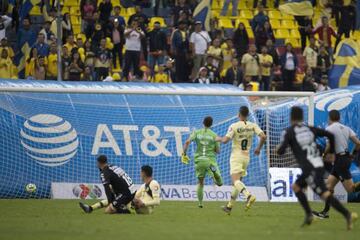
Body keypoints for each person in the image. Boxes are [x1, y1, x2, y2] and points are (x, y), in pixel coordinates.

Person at [276, 107, 357, 230]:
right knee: (297, 187)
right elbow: (330, 135)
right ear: (302, 117)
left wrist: (278, 148)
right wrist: (332, 153)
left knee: (325, 193)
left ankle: (348, 215)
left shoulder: (289, 131)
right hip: (317, 164)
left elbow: (281, 151)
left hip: (310, 168)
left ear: (291, 118)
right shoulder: (309, 129)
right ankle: (309, 215)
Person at [217, 106, 266, 214]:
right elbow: (263, 136)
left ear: (239, 114)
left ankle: (248, 196)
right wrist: (258, 148)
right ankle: (229, 207)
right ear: (247, 115)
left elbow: (225, 140)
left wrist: (217, 138)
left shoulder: (234, 126)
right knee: (238, 183)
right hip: (246, 157)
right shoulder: (253, 125)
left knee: (235, 181)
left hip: (236, 156)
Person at [312, 110, 360, 219]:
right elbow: (358, 143)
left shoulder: (329, 129)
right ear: (339, 118)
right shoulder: (347, 128)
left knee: (351, 189)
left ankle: (325, 212)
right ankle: (325, 213)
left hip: (340, 161)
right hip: (344, 159)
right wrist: (353, 154)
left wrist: (324, 154)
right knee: (329, 186)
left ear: (330, 118)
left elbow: (329, 146)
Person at [182, 116, 223, 208]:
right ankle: (214, 176)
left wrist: (184, 154)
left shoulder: (196, 132)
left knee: (200, 183)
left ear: (203, 123)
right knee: (220, 183)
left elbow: (187, 142)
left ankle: (200, 203)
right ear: (211, 124)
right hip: (210, 160)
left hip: (199, 160)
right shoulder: (214, 135)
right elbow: (218, 151)